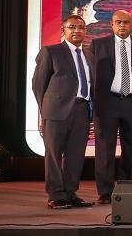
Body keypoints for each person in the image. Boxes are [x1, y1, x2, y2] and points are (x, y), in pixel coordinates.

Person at [91, 10, 132, 204]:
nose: (122, 25)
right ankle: (105, 192)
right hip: (108, 103)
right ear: (111, 24)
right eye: (118, 22)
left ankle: (126, 187)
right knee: (105, 149)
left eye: (126, 22)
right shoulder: (98, 45)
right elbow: (91, 76)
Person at [32, 15, 96, 209]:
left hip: (82, 110)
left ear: (85, 31)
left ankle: (70, 193)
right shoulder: (51, 51)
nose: (77, 30)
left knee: (75, 155)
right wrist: (45, 110)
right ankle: (56, 195)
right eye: (72, 27)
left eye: (81, 27)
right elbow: (38, 84)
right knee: (53, 154)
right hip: (56, 112)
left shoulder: (89, 56)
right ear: (63, 30)